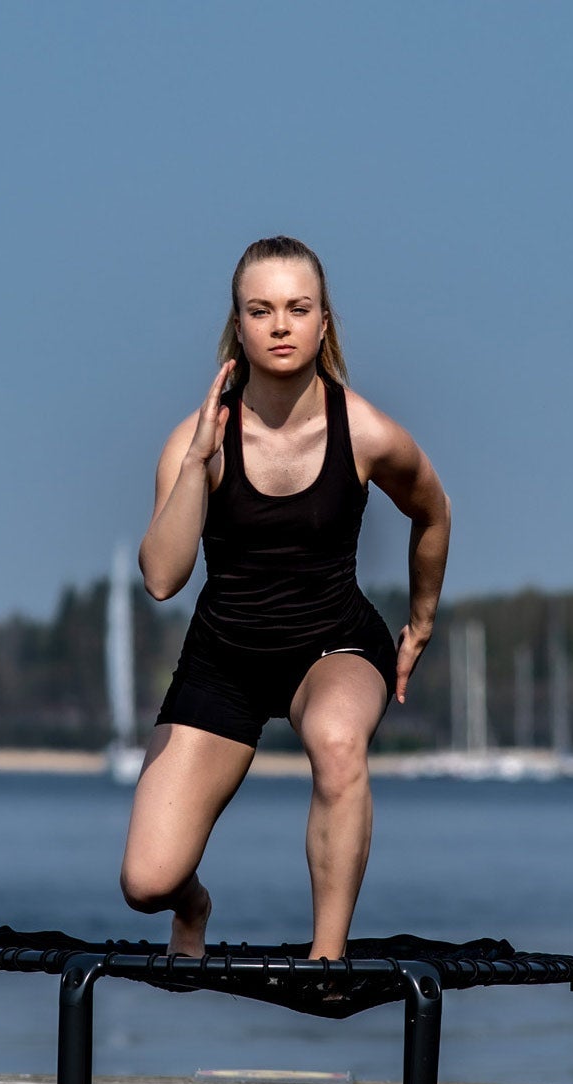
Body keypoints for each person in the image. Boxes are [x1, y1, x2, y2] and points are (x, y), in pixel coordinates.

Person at [119, 236, 451, 961]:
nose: (279, 325)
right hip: (224, 659)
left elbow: (433, 510)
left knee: (338, 743)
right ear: (236, 324)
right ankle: (196, 904)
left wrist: (421, 620)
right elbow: (162, 578)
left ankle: (326, 960)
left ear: (323, 322)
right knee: (146, 882)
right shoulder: (194, 440)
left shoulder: (363, 430)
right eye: (260, 309)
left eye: (298, 309)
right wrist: (200, 461)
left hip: (331, 645)